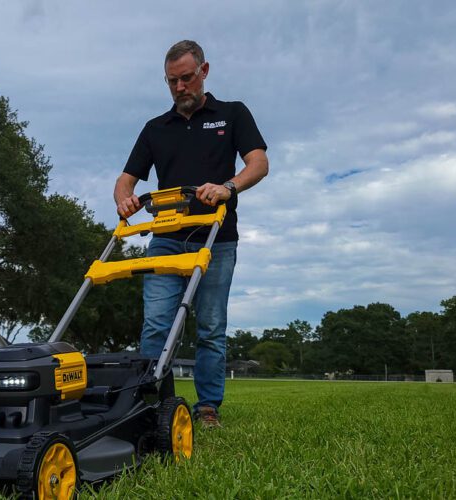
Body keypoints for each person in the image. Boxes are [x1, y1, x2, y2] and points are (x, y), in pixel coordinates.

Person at [114, 40, 269, 428]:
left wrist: (227, 187)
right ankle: (152, 404)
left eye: (186, 78)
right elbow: (125, 179)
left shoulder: (232, 114)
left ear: (204, 71)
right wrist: (125, 200)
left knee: (211, 327)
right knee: (156, 324)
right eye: (172, 82)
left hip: (217, 237)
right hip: (166, 238)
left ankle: (207, 407)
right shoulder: (155, 129)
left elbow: (259, 163)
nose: (180, 87)